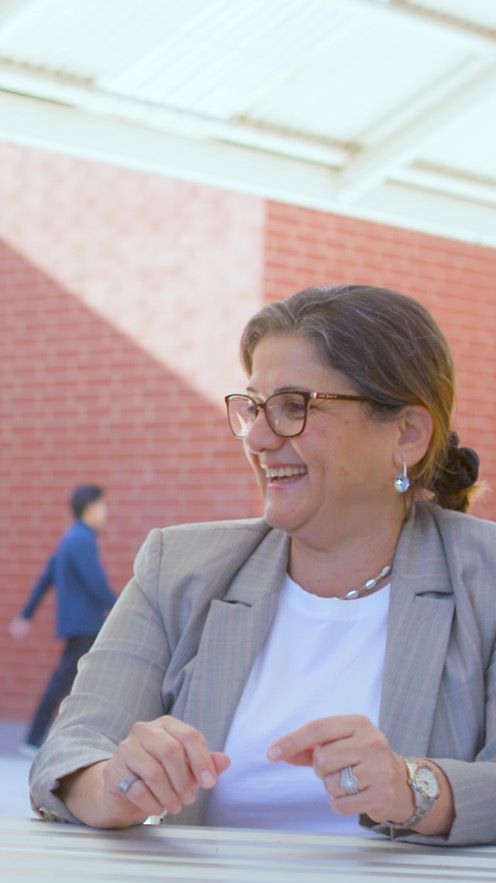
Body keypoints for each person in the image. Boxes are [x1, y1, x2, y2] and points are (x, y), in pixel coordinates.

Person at [30, 284, 496, 846]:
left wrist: (414, 788)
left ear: (407, 434)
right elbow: (72, 750)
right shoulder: (179, 569)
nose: (257, 437)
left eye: (294, 408)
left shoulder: (484, 579)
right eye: (253, 407)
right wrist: (115, 785)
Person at [9, 484, 116, 751]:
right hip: (85, 623)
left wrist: (26, 615)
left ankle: (36, 737)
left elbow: (46, 577)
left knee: (74, 679)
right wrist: (124, 608)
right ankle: (35, 738)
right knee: (72, 679)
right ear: (90, 508)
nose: (106, 512)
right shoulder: (81, 540)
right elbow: (96, 583)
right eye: (103, 506)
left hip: (78, 623)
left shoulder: (72, 537)